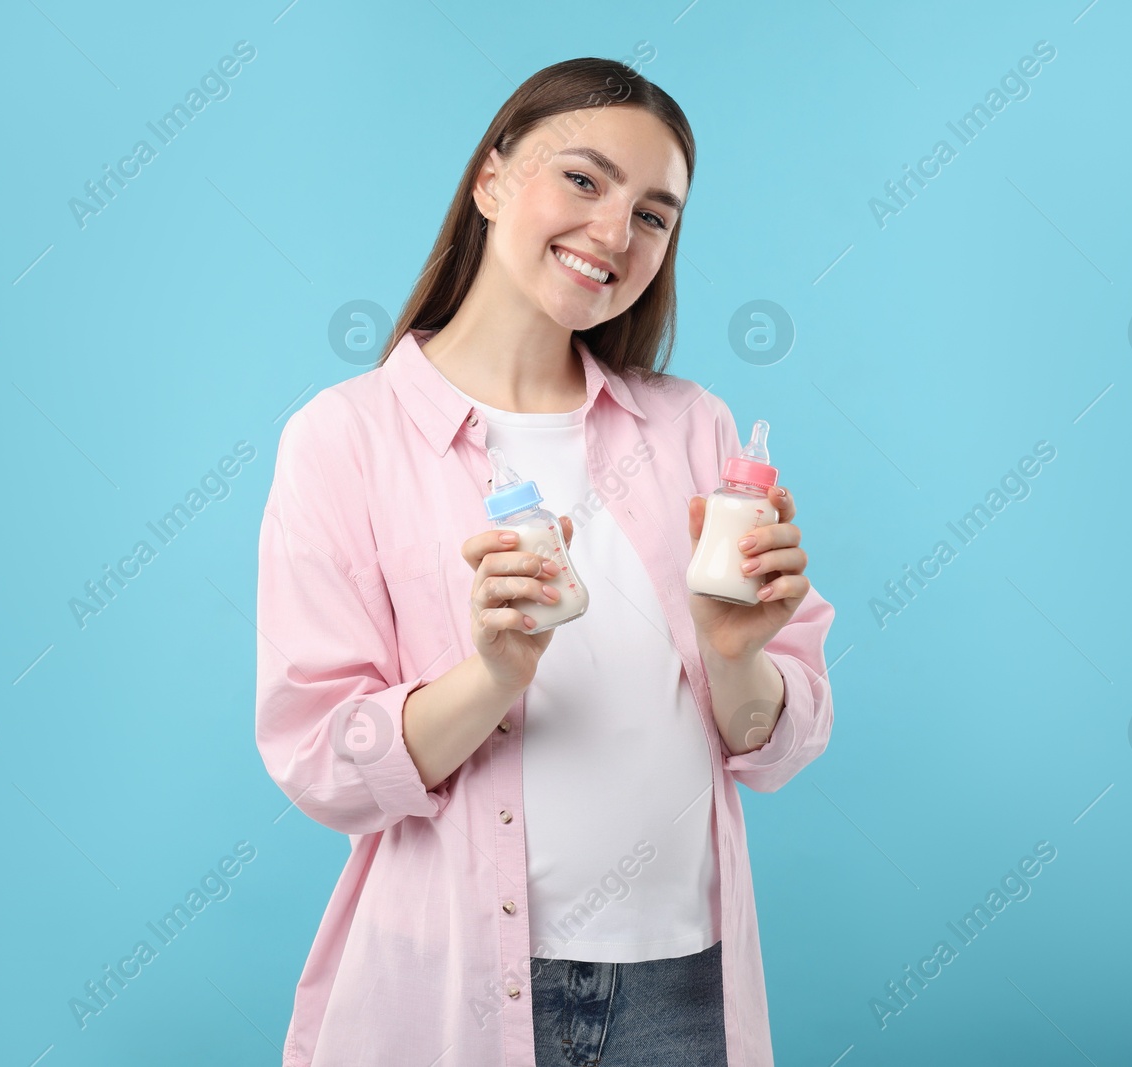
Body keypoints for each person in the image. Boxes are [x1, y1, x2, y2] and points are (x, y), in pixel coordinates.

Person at [255, 56, 836, 1067]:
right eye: (583, 179)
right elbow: (321, 762)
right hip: (453, 987)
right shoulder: (343, 438)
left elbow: (776, 739)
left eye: (655, 214)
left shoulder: (694, 430)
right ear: (489, 179)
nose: (615, 232)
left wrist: (739, 655)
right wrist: (493, 675)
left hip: (682, 985)